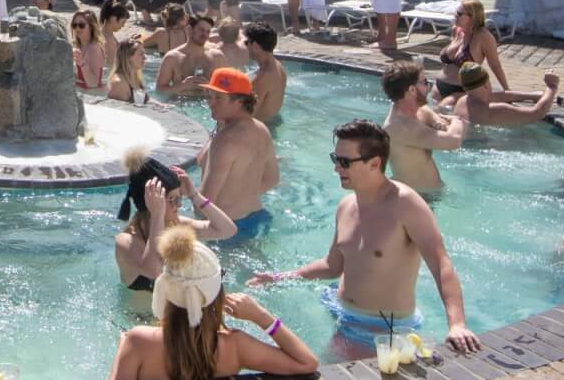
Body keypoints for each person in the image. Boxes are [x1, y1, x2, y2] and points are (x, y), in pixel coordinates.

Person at [249, 119, 482, 353]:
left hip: (383, 328)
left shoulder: (405, 204)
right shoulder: (346, 205)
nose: (336, 168)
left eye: (344, 162)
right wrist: (279, 278)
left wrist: (457, 325)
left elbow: (440, 263)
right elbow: (332, 266)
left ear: (374, 163)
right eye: (335, 159)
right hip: (339, 309)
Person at [110, 226, 318, 380]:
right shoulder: (235, 345)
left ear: (166, 288)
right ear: (215, 291)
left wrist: (123, 348)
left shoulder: (138, 341)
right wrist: (261, 316)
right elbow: (307, 363)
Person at [115, 153, 237, 291]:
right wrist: (157, 215)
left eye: (179, 198)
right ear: (150, 202)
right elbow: (154, 271)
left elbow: (227, 230)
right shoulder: (126, 242)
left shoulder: (177, 224)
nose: (178, 206)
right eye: (172, 199)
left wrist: (194, 195)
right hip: (143, 313)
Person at [195, 70, 279, 240]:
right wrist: (241, 198)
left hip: (226, 228)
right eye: (210, 96)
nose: (211, 103)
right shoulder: (261, 129)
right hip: (257, 217)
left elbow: (203, 204)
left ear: (239, 102)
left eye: (219, 98)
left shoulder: (226, 139)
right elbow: (272, 179)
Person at [381, 61, 467, 194]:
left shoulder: (418, 110)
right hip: (416, 198)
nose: (430, 86)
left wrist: (440, 123)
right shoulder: (400, 127)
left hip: (428, 194)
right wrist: (458, 121)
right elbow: (454, 140)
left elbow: (435, 118)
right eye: (425, 82)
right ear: (411, 90)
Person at [435, 1, 509, 98]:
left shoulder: (483, 36)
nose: (455, 15)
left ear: (472, 17)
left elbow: (495, 65)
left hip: (462, 91)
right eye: (456, 12)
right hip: (439, 87)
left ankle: (531, 97)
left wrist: (506, 89)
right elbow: (450, 61)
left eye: (459, 13)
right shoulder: (456, 30)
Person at [450, 64, 559, 128]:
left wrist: (533, 95)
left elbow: (498, 96)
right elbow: (537, 113)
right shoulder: (494, 110)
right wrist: (551, 87)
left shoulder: (462, 101)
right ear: (486, 84)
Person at [155, 15, 217, 94]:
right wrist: (183, 86)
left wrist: (209, 86)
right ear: (190, 29)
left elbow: (228, 89)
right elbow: (159, 90)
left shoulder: (216, 57)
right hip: (180, 104)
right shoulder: (172, 57)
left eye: (208, 31)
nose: (205, 34)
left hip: (209, 104)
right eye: (201, 30)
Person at [244, 22, 287, 124]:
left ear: (254, 45)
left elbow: (243, 118)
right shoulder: (279, 67)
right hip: (271, 124)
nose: (245, 46)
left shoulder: (262, 79)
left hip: (259, 131)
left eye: (246, 42)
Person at [106, 36, 149, 104]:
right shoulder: (119, 84)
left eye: (144, 53)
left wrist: (160, 105)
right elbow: (117, 112)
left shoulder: (135, 77)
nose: (145, 57)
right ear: (128, 57)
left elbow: (146, 100)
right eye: (141, 54)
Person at [70, 10, 106, 89]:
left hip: (91, 96)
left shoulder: (94, 48)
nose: (77, 28)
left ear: (91, 26)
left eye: (81, 25)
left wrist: (82, 63)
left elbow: (94, 84)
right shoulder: (77, 46)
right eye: (74, 25)